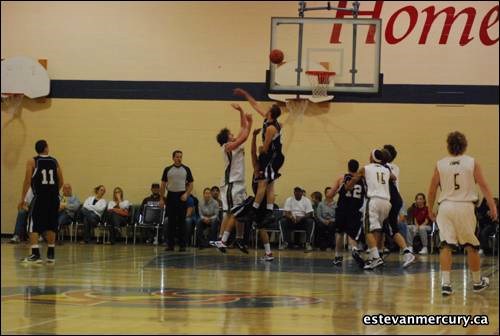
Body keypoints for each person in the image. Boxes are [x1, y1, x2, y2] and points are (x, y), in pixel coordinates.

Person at [428, 131, 497, 296]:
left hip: (445, 207)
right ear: (465, 145)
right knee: (471, 245)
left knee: (446, 245)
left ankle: (446, 284)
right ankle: (477, 282)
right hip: (465, 206)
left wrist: (430, 209)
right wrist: (492, 205)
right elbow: (484, 185)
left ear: (448, 146)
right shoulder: (472, 162)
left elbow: (431, 190)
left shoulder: (440, 164)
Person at [233, 88, 284, 226]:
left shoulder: (270, 128)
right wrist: (244, 94)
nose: (265, 109)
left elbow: (265, 148)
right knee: (269, 184)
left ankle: (254, 212)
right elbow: (255, 104)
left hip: (273, 156)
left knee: (263, 183)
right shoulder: (268, 119)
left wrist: (260, 148)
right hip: (273, 156)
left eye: (268, 109)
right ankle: (269, 212)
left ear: (271, 114)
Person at [227, 128, 275, 260]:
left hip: (261, 203)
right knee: (261, 226)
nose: (260, 149)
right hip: (258, 202)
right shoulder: (256, 167)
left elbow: (271, 190)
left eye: (262, 149)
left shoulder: (269, 171)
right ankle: (268, 253)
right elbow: (252, 152)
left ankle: (226, 239)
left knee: (238, 213)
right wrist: (253, 137)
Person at [214, 103, 253, 251]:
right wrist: (251, 122)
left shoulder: (234, 144)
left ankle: (239, 239)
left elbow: (243, 128)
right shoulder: (227, 146)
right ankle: (221, 239)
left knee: (240, 212)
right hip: (232, 184)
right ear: (226, 139)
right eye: (230, 134)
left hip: (239, 183)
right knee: (232, 212)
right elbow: (244, 135)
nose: (233, 134)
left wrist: (241, 111)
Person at [345, 150, 392, 270]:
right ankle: (373, 258)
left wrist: (347, 187)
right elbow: (394, 178)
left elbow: (354, 180)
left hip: (374, 200)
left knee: (367, 230)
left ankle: (376, 258)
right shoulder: (386, 169)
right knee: (376, 230)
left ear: (371, 157)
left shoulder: (365, 168)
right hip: (386, 202)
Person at [20, 140, 63, 264]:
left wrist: (22, 199)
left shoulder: (33, 161)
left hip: (40, 198)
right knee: (51, 224)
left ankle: (35, 255)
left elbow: (27, 181)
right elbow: (61, 181)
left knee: (32, 224)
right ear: (46, 148)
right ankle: (51, 255)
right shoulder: (55, 161)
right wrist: (53, 192)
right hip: (53, 198)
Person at [381, 145, 415, 267]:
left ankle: (407, 251)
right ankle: (379, 253)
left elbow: (392, 177)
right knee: (381, 227)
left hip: (391, 200)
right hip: (390, 200)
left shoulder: (387, 168)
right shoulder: (389, 167)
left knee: (392, 227)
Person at [327, 159, 366, 267]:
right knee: (352, 233)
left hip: (342, 208)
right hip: (356, 209)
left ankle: (338, 257)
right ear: (357, 168)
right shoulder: (362, 180)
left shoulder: (341, 178)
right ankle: (354, 249)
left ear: (348, 167)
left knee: (339, 233)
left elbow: (330, 195)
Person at [160, 150, 194, 252]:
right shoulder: (167, 169)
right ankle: (170, 245)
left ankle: (182, 245)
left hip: (181, 196)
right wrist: (161, 198)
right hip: (171, 196)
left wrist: (186, 194)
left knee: (182, 221)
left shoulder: (186, 169)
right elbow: (162, 184)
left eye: (180, 157)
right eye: (177, 157)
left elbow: (191, 184)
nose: (179, 158)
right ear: (173, 158)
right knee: (171, 222)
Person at [281, 187, 315, 252]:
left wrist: (301, 217)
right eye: (296, 191)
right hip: (292, 220)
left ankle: (308, 243)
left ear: (302, 193)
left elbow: (310, 213)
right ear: (294, 192)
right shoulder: (289, 199)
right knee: (282, 221)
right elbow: (286, 212)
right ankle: (285, 242)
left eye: (299, 191)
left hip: (303, 220)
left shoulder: (307, 200)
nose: (297, 193)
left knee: (311, 222)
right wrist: (291, 217)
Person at [315, 187, 336, 251]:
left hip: (332, 221)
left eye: (331, 192)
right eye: (327, 192)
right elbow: (318, 215)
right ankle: (321, 245)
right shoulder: (321, 204)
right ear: (325, 194)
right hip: (323, 220)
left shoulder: (336, 204)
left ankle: (331, 245)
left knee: (331, 226)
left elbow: (338, 216)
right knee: (320, 225)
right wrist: (324, 221)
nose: (329, 193)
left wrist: (331, 220)